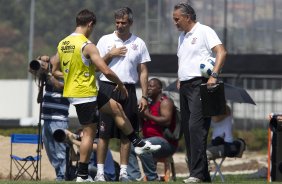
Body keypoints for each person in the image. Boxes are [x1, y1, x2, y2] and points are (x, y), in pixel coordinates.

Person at [51, 9, 161, 182]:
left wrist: (70, 77)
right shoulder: (87, 44)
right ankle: (82, 176)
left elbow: (54, 68)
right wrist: (119, 84)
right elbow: (105, 70)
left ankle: (138, 143)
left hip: (88, 90)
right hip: (84, 93)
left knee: (116, 109)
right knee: (90, 133)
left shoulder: (63, 43)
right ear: (90, 24)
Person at [172, 2, 227, 183]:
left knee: (197, 128)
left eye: (177, 19)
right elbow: (185, 59)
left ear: (187, 17)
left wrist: (214, 75)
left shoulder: (204, 31)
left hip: (200, 85)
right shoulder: (182, 36)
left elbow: (221, 52)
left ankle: (195, 174)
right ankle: (202, 175)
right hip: (185, 86)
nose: (175, 23)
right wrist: (181, 77)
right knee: (188, 130)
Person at [95, 7, 151, 182]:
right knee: (103, 133)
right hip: (107, 88)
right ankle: (100, 173)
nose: (120, 25)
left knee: (127, 133)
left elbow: (143, 71)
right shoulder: (105, 40)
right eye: (117, 22)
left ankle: (124, 173)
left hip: (129, 90)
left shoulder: (139, 43)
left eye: (123, 22)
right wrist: (110, 55)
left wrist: (145, 95)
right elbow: (97, 67)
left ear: (131, 23)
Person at [127, 78, 178, 181]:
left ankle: (152, 177)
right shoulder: (148, 104)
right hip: (150, 140)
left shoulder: (165, 102)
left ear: (159, 89)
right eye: (148, 86)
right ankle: (133, 177)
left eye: (151, 86)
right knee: (129, 145)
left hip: (166, 143)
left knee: (143, 146)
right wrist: (141, 115)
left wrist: (148, 115)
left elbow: (166, 120)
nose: (148, 88)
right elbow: (143, 124)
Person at [29, 55, 70, 181]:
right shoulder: (47, 77)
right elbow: (38, 100)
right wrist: (38, 62)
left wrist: (48, 75)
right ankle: (60, 174)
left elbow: (60, 86)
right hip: (46, 119)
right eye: (44, 62)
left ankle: (63, 175)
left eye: (48, 62)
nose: (46, 63)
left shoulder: (64, 73)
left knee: (60, 150)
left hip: (59, 119)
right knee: (50, 150)